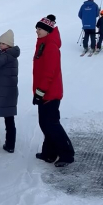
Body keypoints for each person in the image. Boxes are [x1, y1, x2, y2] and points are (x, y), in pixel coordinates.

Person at [33, 14, 75, 167]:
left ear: (47, 30)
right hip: (44, 92)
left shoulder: (50, 46)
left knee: (51, 124)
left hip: (50, 93)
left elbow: (49, 72)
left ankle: (67, 154)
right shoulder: (43, 43)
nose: (37, 31)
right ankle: (49, 153)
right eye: (36, 28)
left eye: (39, 29)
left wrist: (40, 92)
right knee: (45, 123)